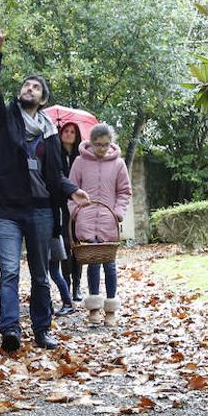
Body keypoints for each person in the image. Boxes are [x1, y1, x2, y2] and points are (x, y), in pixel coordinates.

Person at [0, 23, 89, 352]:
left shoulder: (51, 133)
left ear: (42, 98)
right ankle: (10, 330)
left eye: (36, 87)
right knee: (9, 271)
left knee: (41, 274)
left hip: (40, 209)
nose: (29, 89)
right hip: (7, 210)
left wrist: (71, 190)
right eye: (26, 85)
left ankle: (42, 330)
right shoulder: (3, 118)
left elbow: (55, 175)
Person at [68, 123, 131, 327]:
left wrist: (118, 214)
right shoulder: (79, 162)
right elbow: (71, 190)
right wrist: (76, 213)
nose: (102, 148)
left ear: (111, 143)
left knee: (109, 265)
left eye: (106, 144)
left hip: (108, 222)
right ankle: (94, 307)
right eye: (98, 144)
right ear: (91, 143)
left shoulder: (119, 164)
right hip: (86, 221)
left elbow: (124, 192)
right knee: (92, 263)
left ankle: (110, 309)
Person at [58, 122, 85, 303]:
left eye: (72, 132)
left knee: (78, 246)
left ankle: (77, 286)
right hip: (60, 206)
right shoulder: (54, 155)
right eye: (65, 131)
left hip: (78, 206)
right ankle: (66, 284)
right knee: (64, 246)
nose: (68, 134)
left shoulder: (81, 157)